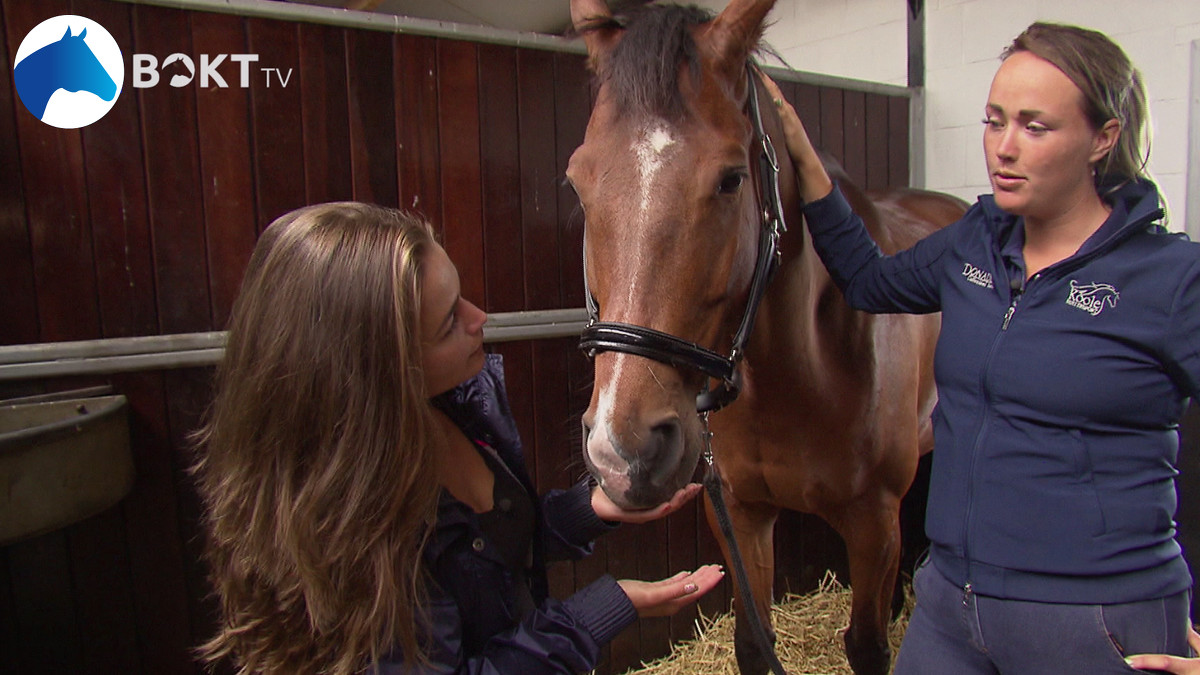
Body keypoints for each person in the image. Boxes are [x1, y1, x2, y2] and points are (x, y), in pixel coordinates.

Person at [763, 20, 1200, 675]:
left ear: (1102, 139)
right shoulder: (977, 242)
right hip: (949, 606)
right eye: (994, 121)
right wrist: (805, 162)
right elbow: (867, 278)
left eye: (1035, 125)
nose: (1004, 147)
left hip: (1099, 620)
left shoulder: (1172, 278)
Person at [190, 202, 724, 675]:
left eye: (461, 296)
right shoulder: (359, 538)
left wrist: (586, 512)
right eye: (449, 323)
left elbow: (489, 553)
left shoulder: (457, 407)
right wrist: (601, 613)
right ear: (380, 370)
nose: (479, 318)